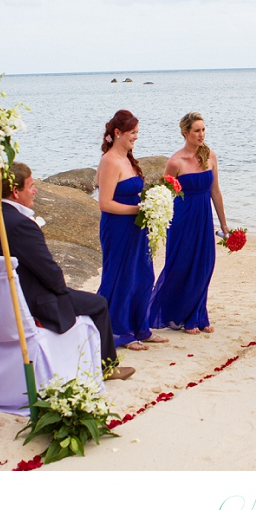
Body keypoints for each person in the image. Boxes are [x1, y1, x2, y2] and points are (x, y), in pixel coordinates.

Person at [0, 161, 135, 381]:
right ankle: (107, 367)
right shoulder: (22, 224)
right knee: (99, 304)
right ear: (16, 192)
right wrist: (61, 288)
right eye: (31, 185)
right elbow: (51, 274)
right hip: (29, 304)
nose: (35, 190)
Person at [148, 112, 229, 334]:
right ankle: (181, 316)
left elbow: (215, 191)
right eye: (196, 130)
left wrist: (224, 225)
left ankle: (198, 315)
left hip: (204, 217)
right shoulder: (175, 162)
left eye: (203, 130)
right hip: (182, 219)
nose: (201, 134)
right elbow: (163, 195)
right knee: (181, 266)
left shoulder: (210, 156)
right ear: (185, 133)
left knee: (204, 265)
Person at [97, 110, 168, 350]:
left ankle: (141, 327)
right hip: (117, 228)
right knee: (121, 277)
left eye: (137, 132)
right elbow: (104, 203)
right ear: (117, 133)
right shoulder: (109, 161)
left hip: (137, 227)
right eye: (132, 132)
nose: (135, 137)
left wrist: (152, 204)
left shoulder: (128, 158)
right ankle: (119, 332)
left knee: (143, 275)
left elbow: (134, 193)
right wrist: (138, 210)